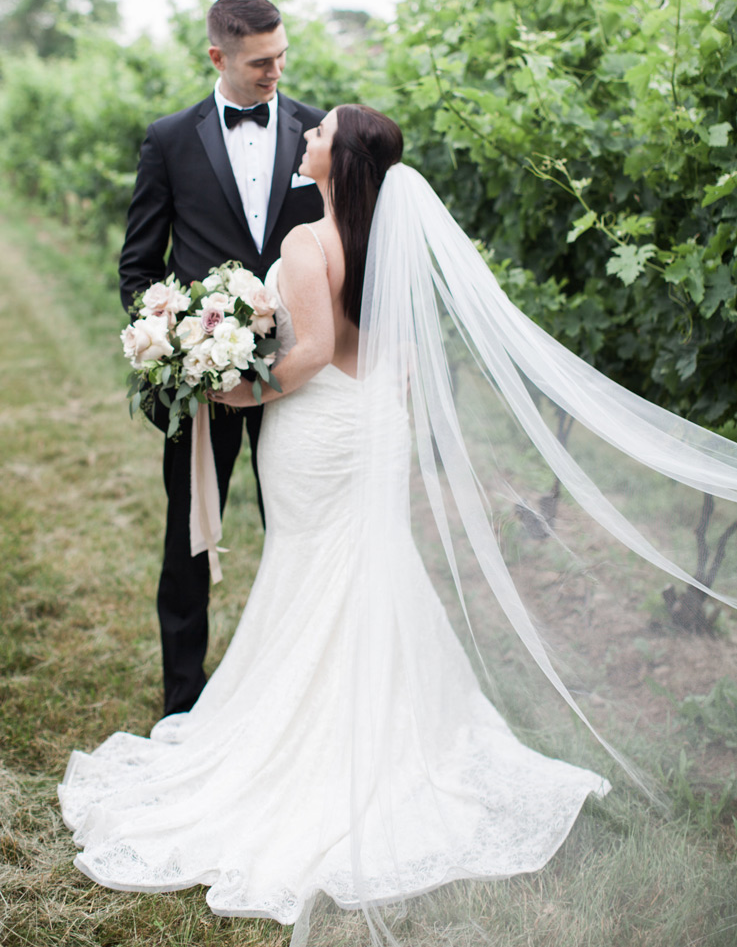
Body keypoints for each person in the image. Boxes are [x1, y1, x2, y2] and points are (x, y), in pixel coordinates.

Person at [61, 106, 737, 945]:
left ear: (336, 158)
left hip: (317, 427)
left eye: (320, 132)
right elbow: (399, 356)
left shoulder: (309, 240)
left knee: (313, 566)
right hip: (371, 419)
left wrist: (232, 389)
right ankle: (391, 731)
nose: (305, 134)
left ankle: (314, 741)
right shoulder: (385, 233)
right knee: (367, 564)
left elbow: (304, 358)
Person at [118, 0, 324, 717]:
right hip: (203, 383)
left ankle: (294, 691)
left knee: (297, 526)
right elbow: (138, 265)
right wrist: (174, 344)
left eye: (281, 58)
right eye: (260, 62)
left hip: (299, 376)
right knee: (190, 536)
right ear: (218, 56)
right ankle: (182, 700)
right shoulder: (171, 138)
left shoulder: (313, 128)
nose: (275, 73)